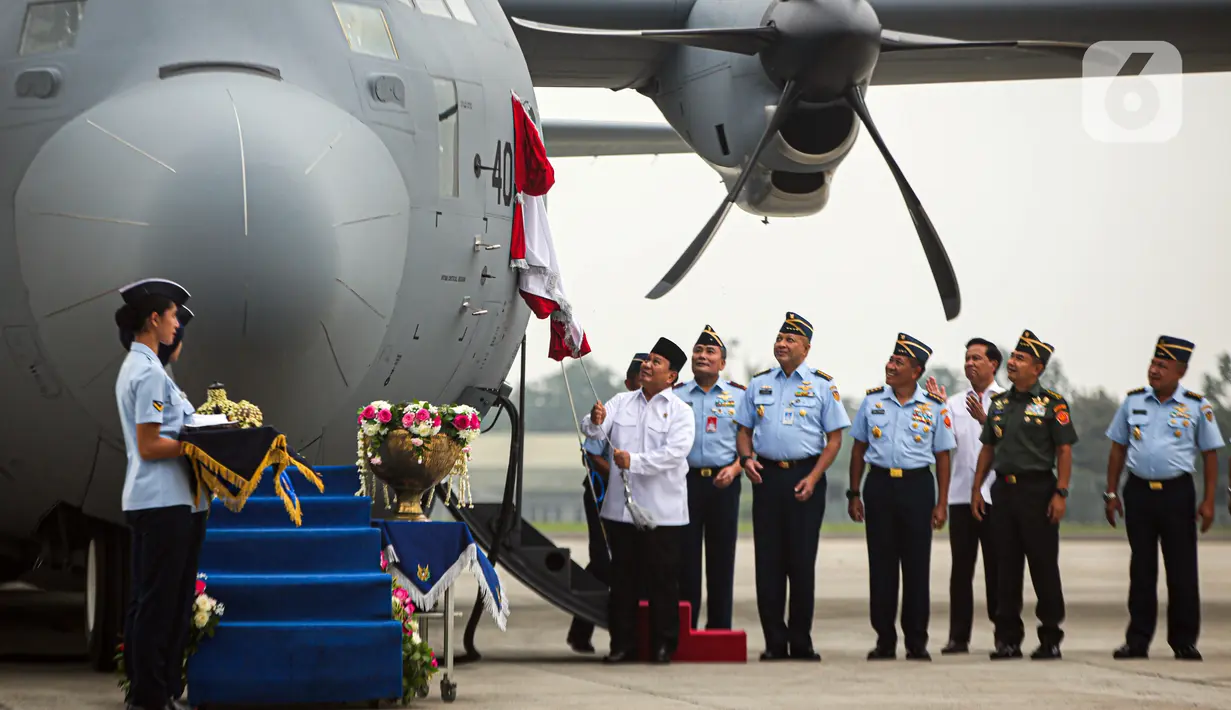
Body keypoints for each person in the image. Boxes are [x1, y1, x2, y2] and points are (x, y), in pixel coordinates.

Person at [734, 312, 850, 661]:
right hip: (766, 478)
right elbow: (743, 429)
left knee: (801, 563)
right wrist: (746, 459)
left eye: (790, 340)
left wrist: (813, 478)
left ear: (806, 348)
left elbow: (834, 440)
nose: (781, 345)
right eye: (779, 338)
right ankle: (774, 642)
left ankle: (801, 641)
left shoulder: (822, 385)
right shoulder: (759, 383)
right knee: (768, 563)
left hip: (805, 479)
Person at [1103, 336, 1223, 661]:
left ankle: (1184, 641)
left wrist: (1209, 500)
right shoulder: (1132, 402)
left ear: (1180, 371)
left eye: (1163, 366)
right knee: (1141, 568)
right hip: (1138, 491)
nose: (1154, 371)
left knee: (1182, 569)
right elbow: (1117, 448)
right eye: (1153, 363)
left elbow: (1210, 454)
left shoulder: (1197, 406)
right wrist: (1111, 493)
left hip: (1177, 493)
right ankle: (1138, 640)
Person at [581, 338, 694, 664]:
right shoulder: (621, 401)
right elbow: (591, 431)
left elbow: (675, 455)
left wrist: (636, 462)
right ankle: (622, 645)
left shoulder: (680, 412)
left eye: (656, 362)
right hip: (621, 511)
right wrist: (596, 418)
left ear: (671, 376)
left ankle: (663, 645)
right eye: (648, 359)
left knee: (662, 582)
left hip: (662, 512)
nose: (647, 364)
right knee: (623, 582)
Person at [114, 278, 197, 710]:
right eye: (172, 317)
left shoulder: (145, 368)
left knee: (155, 599)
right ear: (153, 319)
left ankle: (155, 691)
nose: (175, 326)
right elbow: (150, 445)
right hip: (159, 500)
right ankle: (149, 696)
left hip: (162, 499)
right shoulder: (146, 374)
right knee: (156, 603)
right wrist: (200, 446)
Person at [970, 329, 1076, 661]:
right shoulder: (999, 404)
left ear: (1038, 368)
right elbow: (988, 448)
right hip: (1004, 491)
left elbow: (1064, 451)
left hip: (1038, 491)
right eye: (1013, 357)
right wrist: (977, 488)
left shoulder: (1053, 404)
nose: (1012, 363)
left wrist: (1060, 492)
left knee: (1044, 567)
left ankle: (1050, 638)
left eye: (1020, 359)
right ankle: (1007, 639)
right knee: (1005, 568)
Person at [847, 334, 954, 661]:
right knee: (881, 567)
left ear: (916, 370)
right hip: (879, 486)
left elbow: (943, 456)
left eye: (899, 363)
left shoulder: (934, 407)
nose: (890, 366)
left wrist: (941, 502)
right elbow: (858, 448)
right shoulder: (872, 401)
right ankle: (884, 639)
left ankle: (916, 640)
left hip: (917, 487)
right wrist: (854, 493)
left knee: (916, 567)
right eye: (891, 361)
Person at [926, 338, 1005, 655]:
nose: (969, 364)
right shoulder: (954, 404)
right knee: (961, 570)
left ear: (993, 364)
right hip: (960, 496)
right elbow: (944, 450)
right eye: (967, 358)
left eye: (976, 358)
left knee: (998, 569)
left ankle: (1004, 634)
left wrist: (987, 421)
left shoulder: (1008, 401)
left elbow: (1012, 445)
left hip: (997, 497)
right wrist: (936, 408)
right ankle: (959, 636)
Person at [567, 352, 648, 653]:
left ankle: (631, 631)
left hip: (639, 498)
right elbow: (590, 454)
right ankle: (582, 629)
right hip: (603, 494)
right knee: (604, 562)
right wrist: (618, 474)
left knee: (634, 564)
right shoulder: (614, 409)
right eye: (640, 381)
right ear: (629, 383)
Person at [673, 326, 745, 630]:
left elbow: (752, 441)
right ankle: (685, 628)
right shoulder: (675, 395)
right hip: (684, 483)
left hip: (724, 483)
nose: (702, 356)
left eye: (710, 352)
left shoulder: (739, 396)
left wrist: (736, 467)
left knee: (720, 559)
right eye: (698, 351)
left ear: (722, 363)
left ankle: (718, 628)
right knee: (685, 560)